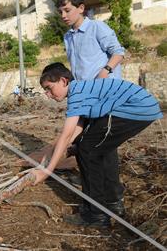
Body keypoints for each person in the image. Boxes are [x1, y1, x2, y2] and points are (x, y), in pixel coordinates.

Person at [32, 63, 162, 227]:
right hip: (143, 107)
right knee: (97, 146)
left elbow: (66, 135)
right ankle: (113, 204)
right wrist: (57, 151)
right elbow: (76, 131)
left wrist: (46, 171)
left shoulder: (77, 93)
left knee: (87, 150)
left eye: (49, 88)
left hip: (136, 108)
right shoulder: (83, 89)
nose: (48, 94)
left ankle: (97, 215)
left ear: (64, 81)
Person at [57, 0, 127, 215]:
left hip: (104, 96)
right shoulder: (68, 37)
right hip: (84, 98)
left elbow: (118, 52)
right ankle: (95, 203)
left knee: (104, 150)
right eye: (60, 11)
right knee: (83, 149)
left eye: (67, 10)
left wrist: (105, 71)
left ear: (81, 8)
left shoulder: (97, 27)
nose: (63, 15)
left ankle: (114, 202)